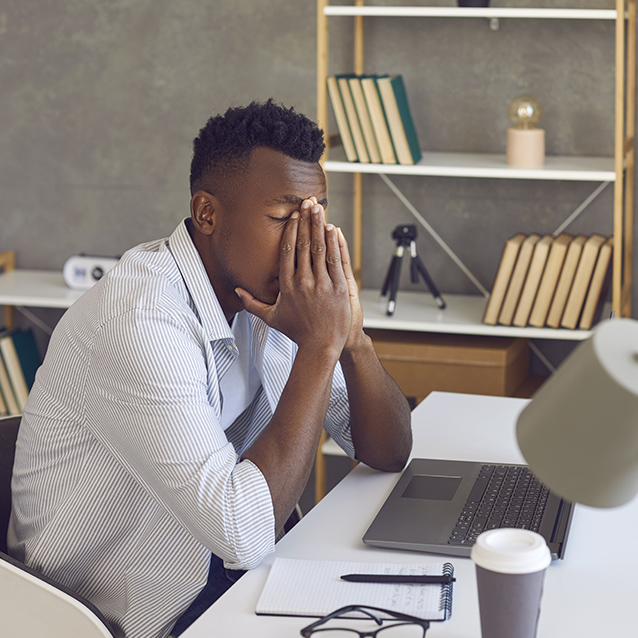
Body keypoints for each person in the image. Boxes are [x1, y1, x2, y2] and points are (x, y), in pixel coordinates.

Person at [8, 100, 412, 638]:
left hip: (230, 577)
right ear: (207, 213)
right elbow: (244, 533)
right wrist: (319, 345)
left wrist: (351, 337)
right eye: (282, 217)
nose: (305, 242)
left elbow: (388, 451)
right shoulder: (138, 319)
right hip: (129, 615)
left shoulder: (273, 299)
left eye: (315, 216)